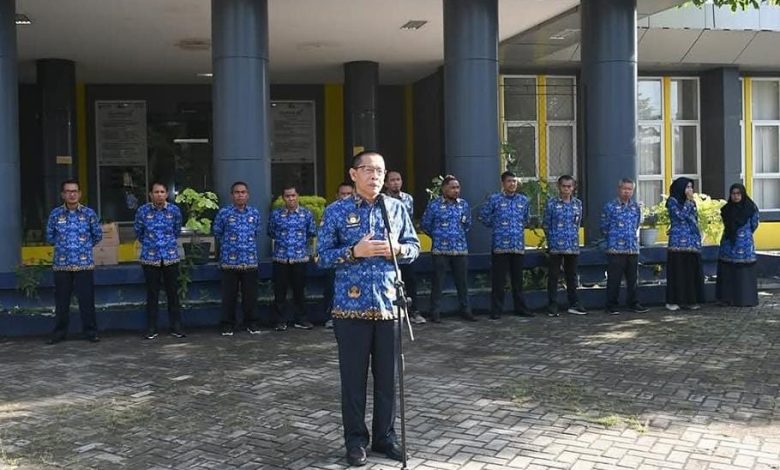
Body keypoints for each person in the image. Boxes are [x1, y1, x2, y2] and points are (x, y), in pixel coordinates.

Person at [318, 151, 419, 467]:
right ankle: (355, 441)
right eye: (368, 169)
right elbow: (321, 256)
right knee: (353, 380)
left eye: (380, 170)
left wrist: (399, 249)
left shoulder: (396, 208)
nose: (375, 175)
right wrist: (353, 251)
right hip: (351, 309)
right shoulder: (337, 211)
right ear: (353, 173)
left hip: (389, 306)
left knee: (388, 379)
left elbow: (414, 248)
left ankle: (385, 437)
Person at [45, 179, 103, 344]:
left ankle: (91, 332)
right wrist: (64, 247)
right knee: (62, 301)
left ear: (80, 194)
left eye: (75, 191)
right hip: (62, 265)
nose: (72, 194)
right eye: (68, 191)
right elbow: (49, 236)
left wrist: (82, 247)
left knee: (87, 300)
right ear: (63, 194)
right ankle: (59, 333)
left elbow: (97, 235)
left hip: (84, 264)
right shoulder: (55, 214)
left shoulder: (89, 214)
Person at [134, 182, 186, 339]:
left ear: (167, 194)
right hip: (150, 257)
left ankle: (176, 326)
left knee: (173, 294)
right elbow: (139, 232)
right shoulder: (142, 211)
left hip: (170, 256)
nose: (159, 194)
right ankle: (151, 327)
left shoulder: (174, 210)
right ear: (150, 194)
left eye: (162, 191)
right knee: (152, 294)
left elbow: (177, 231)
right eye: (156, 192)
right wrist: (152, 245)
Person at [478, 171, 532, 320]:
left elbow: (526, 219)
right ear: (503, 183)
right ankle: (496, 310)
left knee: (518, 280)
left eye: (514, 181)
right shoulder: (494, 199)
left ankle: (520, 308)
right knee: (499, 280)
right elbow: (483, 216)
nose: (512, 184)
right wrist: (496, 226)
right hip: (500, 245)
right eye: (509, 181)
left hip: (517, 245)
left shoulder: (523, 200)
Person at [421, 175, 476, 323]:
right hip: (440, 250)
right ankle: (435, 312)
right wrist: (439, 235)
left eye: (458, 187)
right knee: (438, 281)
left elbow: (467, 224)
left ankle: (466, 310)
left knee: (462, 282)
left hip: (460, 249)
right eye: (452, 187)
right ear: (444, 188)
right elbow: (426, 224)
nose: (456, 190)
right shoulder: (434, 205)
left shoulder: (463, 205)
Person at [213, 181, 262, 336]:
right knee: (229, 296)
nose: (240, 195)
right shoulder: (224, 213)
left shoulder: (254, 213)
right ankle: (227, 324)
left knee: (250, 296)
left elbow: (256, 233)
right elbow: (218, 233)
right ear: (232, 195)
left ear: (247, 195)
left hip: (250, 261)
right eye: (237, 192)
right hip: (229, 262)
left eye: (243, 192)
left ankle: (251, 323)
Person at [268, 184, 317, 331]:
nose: (290, 198)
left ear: (298, 196)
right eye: (287, 196)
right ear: (283, 198)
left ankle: (301, 319)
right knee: (280, 291)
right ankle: (279, 321)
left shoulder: (306, 214)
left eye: (293, 195)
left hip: (299, 258)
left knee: (299, 291)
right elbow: (271, 232)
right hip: (281, 258)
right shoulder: (276, 215)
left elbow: (311, 232)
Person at [600, 178, 649, 315]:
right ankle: (611, 305)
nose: (627, 192)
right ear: (619, 189)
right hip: (615, 248)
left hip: (632, 247)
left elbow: (637, 225)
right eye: (624, 189)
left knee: (633, 278)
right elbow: (604, 226)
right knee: (614, 278)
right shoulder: (610, 206)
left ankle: (633, 303)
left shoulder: (635, 207)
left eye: (630, 189)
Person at [384, 170, 425, 325]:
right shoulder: (382, 200)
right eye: (392, 180)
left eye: (398, 179)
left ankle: (414, 311)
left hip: (404, 246)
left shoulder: (408, 199)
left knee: (410, 279)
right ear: (386, 183)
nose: (396, 182)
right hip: (388, 247)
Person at [543, 175, 586, 316]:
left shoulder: (577, 204)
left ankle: (573, 303)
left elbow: (577, 223)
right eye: (564, 186)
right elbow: (546, 224)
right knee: (554, 276)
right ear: (559, 187)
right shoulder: (551, 203)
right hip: (556, 245)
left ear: (573, 187)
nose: (567, 189)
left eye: (569, 186)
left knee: (572, 276)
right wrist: (551, 240)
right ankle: (552, 305)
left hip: (572, 245)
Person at [716, 183, 760, 307]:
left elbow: (754, 224)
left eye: (738, 193)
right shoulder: (726, 209)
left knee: (743, 272)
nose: (736, 196)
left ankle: (745, 299)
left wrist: (743, 233)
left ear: (743, 194)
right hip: (728, 244)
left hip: (744, 244)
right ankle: (727, 299)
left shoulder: (750, 207)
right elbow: (726, 223)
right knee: (728, 270)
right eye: (733, 194)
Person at [665, 177, 704, 311]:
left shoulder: (692, 203)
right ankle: (673, 300)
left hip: (691, 242)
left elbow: (694, 219)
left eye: (691, 187)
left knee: (690, 273)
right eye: (687, 187)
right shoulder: (672, 201)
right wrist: (688, 201)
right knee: (678, 272)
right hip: (677, 243)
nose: (690, 190)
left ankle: (690, 300)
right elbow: (680, 216)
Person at [323, 181, 354, 330]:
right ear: (337, 195)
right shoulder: (332, 212)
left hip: (355, 263)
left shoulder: (359, 212)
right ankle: (331, 316)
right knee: (331, 288)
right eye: (343, 194)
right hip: (335, 259)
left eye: (349, 194)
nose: (346, 197)